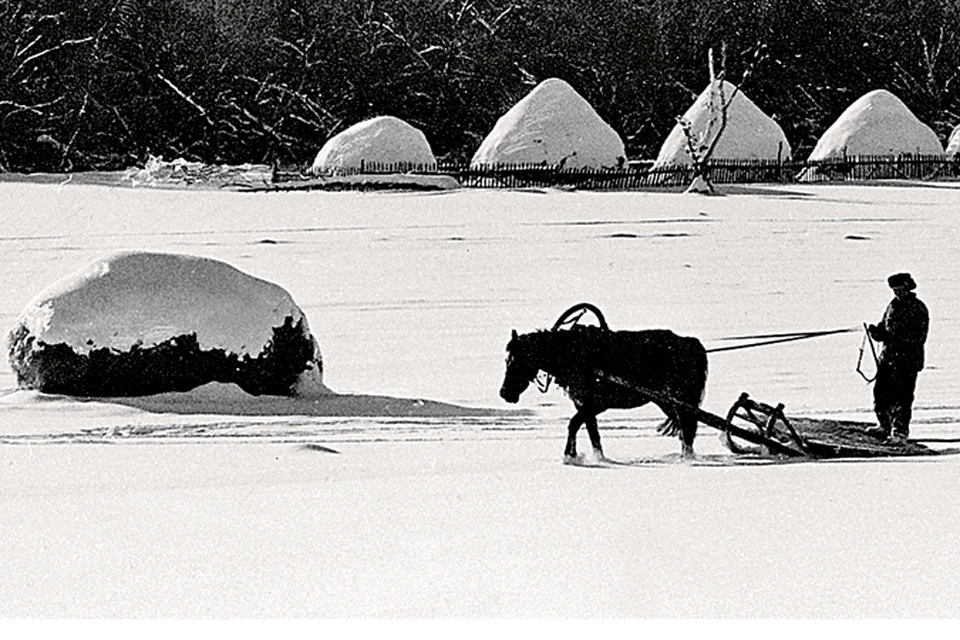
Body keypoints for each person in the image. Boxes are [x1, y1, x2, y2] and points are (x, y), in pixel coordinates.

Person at [867, 272, 929, 444]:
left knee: (902, 397)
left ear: (908, 287)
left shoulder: (918, 308)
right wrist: (876, 333)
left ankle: (900, 432)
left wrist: (893, 338)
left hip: (907, 361)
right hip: (888, 359)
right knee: (881, 393)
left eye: (900, 289)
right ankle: (884, 426)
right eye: (894, 290)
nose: (897, 293)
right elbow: (883, 328)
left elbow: (918, 337)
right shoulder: (892, 306)